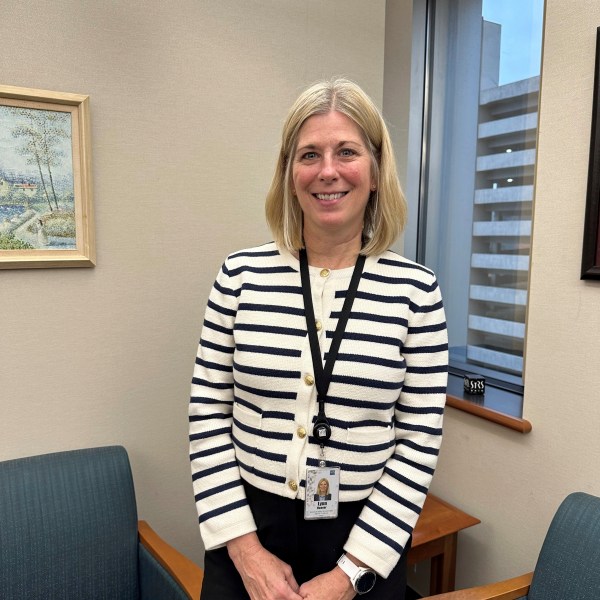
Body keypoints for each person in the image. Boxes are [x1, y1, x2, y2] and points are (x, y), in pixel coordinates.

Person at [189, 77, 448, 600]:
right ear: (289, 174)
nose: (327, 171)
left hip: (362, 538)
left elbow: (419, 439)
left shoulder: (416, 291)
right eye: (309, 154)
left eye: (347, 152)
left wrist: (350, 573)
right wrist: (246, 552)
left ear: (375, 171)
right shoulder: (239, 277)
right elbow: (207, 416)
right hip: (248, 531)